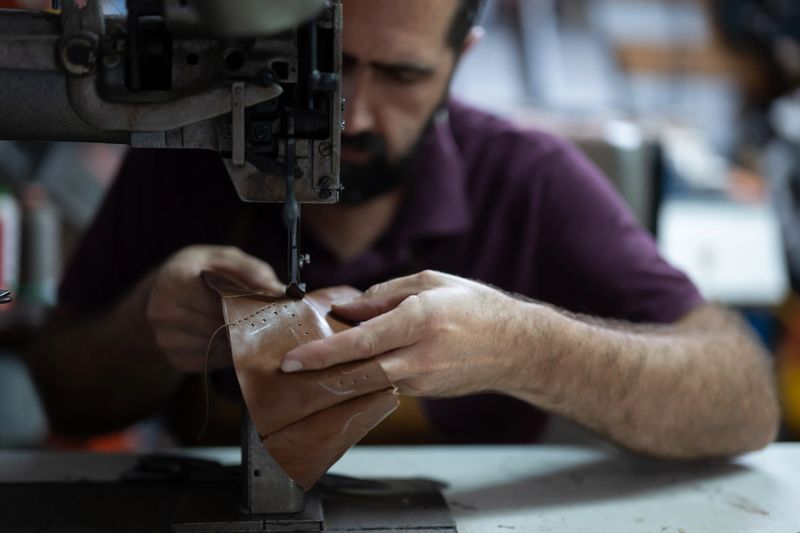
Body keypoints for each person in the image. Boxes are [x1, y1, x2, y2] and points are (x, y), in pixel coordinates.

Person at [28, 0, 779, 458]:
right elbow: (62, 397)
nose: (350, 113)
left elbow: (743, 400)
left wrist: (528, 347)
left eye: (402, 75)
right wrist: (142, 330)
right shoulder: (186, 161)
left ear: (460, 62)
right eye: (332, 68)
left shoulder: (529, 182)